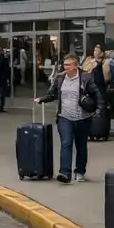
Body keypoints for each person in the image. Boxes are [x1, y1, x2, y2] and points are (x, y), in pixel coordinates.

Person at [35, 52, 100, 185]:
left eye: (69, 65)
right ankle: (65, 173)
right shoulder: (60, 78)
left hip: (83, 118)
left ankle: (80, 171)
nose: (66, 67)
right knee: (66, 143)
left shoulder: (86, 78)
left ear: (76, 65)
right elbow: (52, 94)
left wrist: (99, 109)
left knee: (81, 145)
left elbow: (97, 94)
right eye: (64, 65)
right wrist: (42, 99)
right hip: (64, 117)